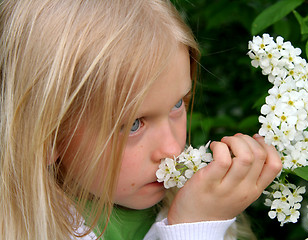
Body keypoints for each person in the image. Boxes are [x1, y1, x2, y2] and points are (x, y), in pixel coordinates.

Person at [0, 0, 282, 239]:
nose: (173, 148)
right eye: (134, 124)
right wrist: (195, 228)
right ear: (49, 137)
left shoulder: (202, 202)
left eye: (176, 104)